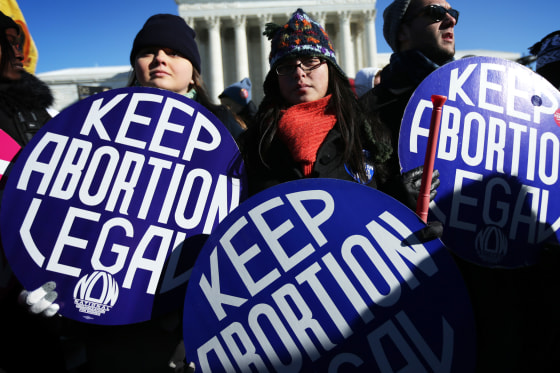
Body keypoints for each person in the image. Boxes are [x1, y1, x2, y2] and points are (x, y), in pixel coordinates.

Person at [239, 8, 392, 197]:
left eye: (310, 61)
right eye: (286, 66)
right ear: (274, 80)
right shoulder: (255, 145)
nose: (299, 73)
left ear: (331, 69)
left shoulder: (369, 132)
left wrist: (406, 195)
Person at [359, 0, 455, 204]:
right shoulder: (368, 110)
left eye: (453, 13)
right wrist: (392, 199)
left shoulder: (471, 97)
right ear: (402, 32)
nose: (451, 20)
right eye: (435, 13)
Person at [127, 13, 245, 140]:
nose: (160, 58)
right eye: (148, 52)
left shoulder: (221, 122)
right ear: (135, 67)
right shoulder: (112, 116)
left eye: (174, 53)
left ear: (193, 75)